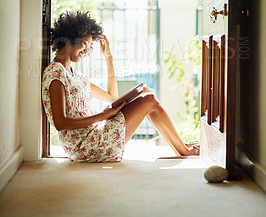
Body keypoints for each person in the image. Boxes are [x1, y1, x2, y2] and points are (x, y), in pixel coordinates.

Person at [42, 11, 200, 163]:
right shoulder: (55, 72)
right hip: (83, 145)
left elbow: (111, 97)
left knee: (145, 92)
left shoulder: (76, 76)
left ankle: (182, 149)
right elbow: (60, 123)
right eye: (85, 44)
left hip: (93, 135)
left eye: (89, 47)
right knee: (149, 100)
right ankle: (183, 150)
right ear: (70, 38)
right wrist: (103, 116)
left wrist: (108, 57)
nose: (86, 51)